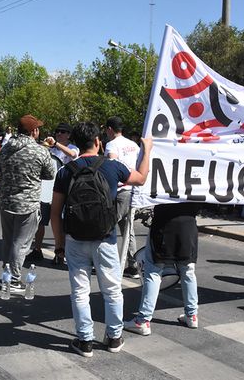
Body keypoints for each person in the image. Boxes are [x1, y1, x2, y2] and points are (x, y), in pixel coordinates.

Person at [51, 122, 152, 358]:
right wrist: (146, 150)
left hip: (75, 239)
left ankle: (85, 340)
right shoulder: (112, 167)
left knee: (79, 291)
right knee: (112, 290)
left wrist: (59, 245)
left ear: (76, 142)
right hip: (105, 237)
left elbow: (56, 213)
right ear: (98, 141)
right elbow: (141, 178)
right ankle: (114, 337)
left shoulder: (65, 171)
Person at [0, 115, 56, 292]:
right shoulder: (40, 151)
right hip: (27, 204)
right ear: (33, 131)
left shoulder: (6, 148)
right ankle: (13, 280)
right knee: (20, 243)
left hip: (6, 200)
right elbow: (50, 174)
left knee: (8, 240)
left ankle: (7, 275)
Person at [124, 202, 201, 336]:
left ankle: (143, 320)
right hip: (188, 226)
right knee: (188, 271)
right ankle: (192, 315)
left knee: (153, 272)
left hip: (164, 226)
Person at [26, 122, 79, 264]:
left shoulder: (73, 147)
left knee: (59, 223)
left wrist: (56, 144)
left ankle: (59, 252)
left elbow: (73, 155)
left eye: (62, 131)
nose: (59, 133)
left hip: (64, 190)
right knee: (40, 221)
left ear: (68, 135)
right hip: (46, 188)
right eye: (57, 131)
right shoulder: (50, 148)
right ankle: (37, 249)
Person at [104, 116, 141, 279]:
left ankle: (105, 262)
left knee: (107, 226)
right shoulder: (133, 145)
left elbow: (111, 164)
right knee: (128, 228)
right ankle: (133, 265)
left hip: (119, 191)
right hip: (133, 189)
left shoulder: (111, 145)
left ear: (110, 129)